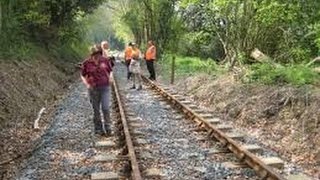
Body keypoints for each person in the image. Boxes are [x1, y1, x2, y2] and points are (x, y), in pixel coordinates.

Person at [81, 44, 113, 135]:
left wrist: (110, 77)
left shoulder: (105, 60)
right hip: (93, 89)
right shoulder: (86, 63)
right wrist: (86, 84)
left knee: (105, 107)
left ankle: (108, 126)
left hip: (105, 87)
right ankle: (98, 128)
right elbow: (82, 75)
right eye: (95, 53)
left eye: (98, 53)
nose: (97, 55)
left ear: (100, 53)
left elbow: (110, 71)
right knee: (96, 109)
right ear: (92, 54)